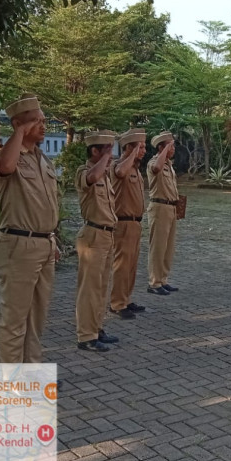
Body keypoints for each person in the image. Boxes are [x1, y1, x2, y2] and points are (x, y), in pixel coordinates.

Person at [0, 94, 60, 365]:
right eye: (36, 121)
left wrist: (52, 240)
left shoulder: (43, 159)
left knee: (37, 317)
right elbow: (6, 167)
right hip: (19, 245)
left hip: (43, 244)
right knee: (15, 318)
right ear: (19, 124)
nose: (43, 126)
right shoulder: (2, 155)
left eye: (43, 120)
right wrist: (18, 132)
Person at [75, 131, 120, 351]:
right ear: (94, 151)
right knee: (89, 289)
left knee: (101, 288)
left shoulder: (105, 174)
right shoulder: (84, 171)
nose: (111, 156)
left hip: (106, 235)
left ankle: (97, 328)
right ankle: (86, 336)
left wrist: (106, 159)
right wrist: (106, 159)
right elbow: (90, 178)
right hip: (92, 235)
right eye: (107, 151)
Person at [109, 128, 147, 320]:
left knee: (131, 265)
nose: (144, 151)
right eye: (141, 147)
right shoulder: (118, 165)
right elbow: (119, 172)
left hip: (135, 223)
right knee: (122, 265)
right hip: (123, 222)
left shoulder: (135, 169)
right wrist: (132, 153)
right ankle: (117, 303)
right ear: (129, 148)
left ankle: (126, 298)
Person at [146, 131, 180, 295]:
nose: (173, 149)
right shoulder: (154, 162)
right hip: (159, 207)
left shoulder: (169, 165)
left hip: (171, 208)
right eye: (170, 146)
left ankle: (163, 279)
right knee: (158, 247)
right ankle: (154, 282)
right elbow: (156, 169)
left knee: (168, 247)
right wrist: (165, 150)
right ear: (161, 147)